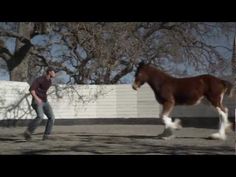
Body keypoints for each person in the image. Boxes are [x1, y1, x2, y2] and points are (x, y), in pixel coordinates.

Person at [24, 67, 56, 141]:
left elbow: (43, 91)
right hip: (37, 101)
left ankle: (46, 135)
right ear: (49, 72)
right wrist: (37, 98)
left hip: (45, 101)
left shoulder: (49, 82)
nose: (55, 73)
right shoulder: (40, 79)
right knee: (40, 116)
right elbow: (32, 89)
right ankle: (28, 132)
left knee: (52, 117)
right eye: (54, 72)